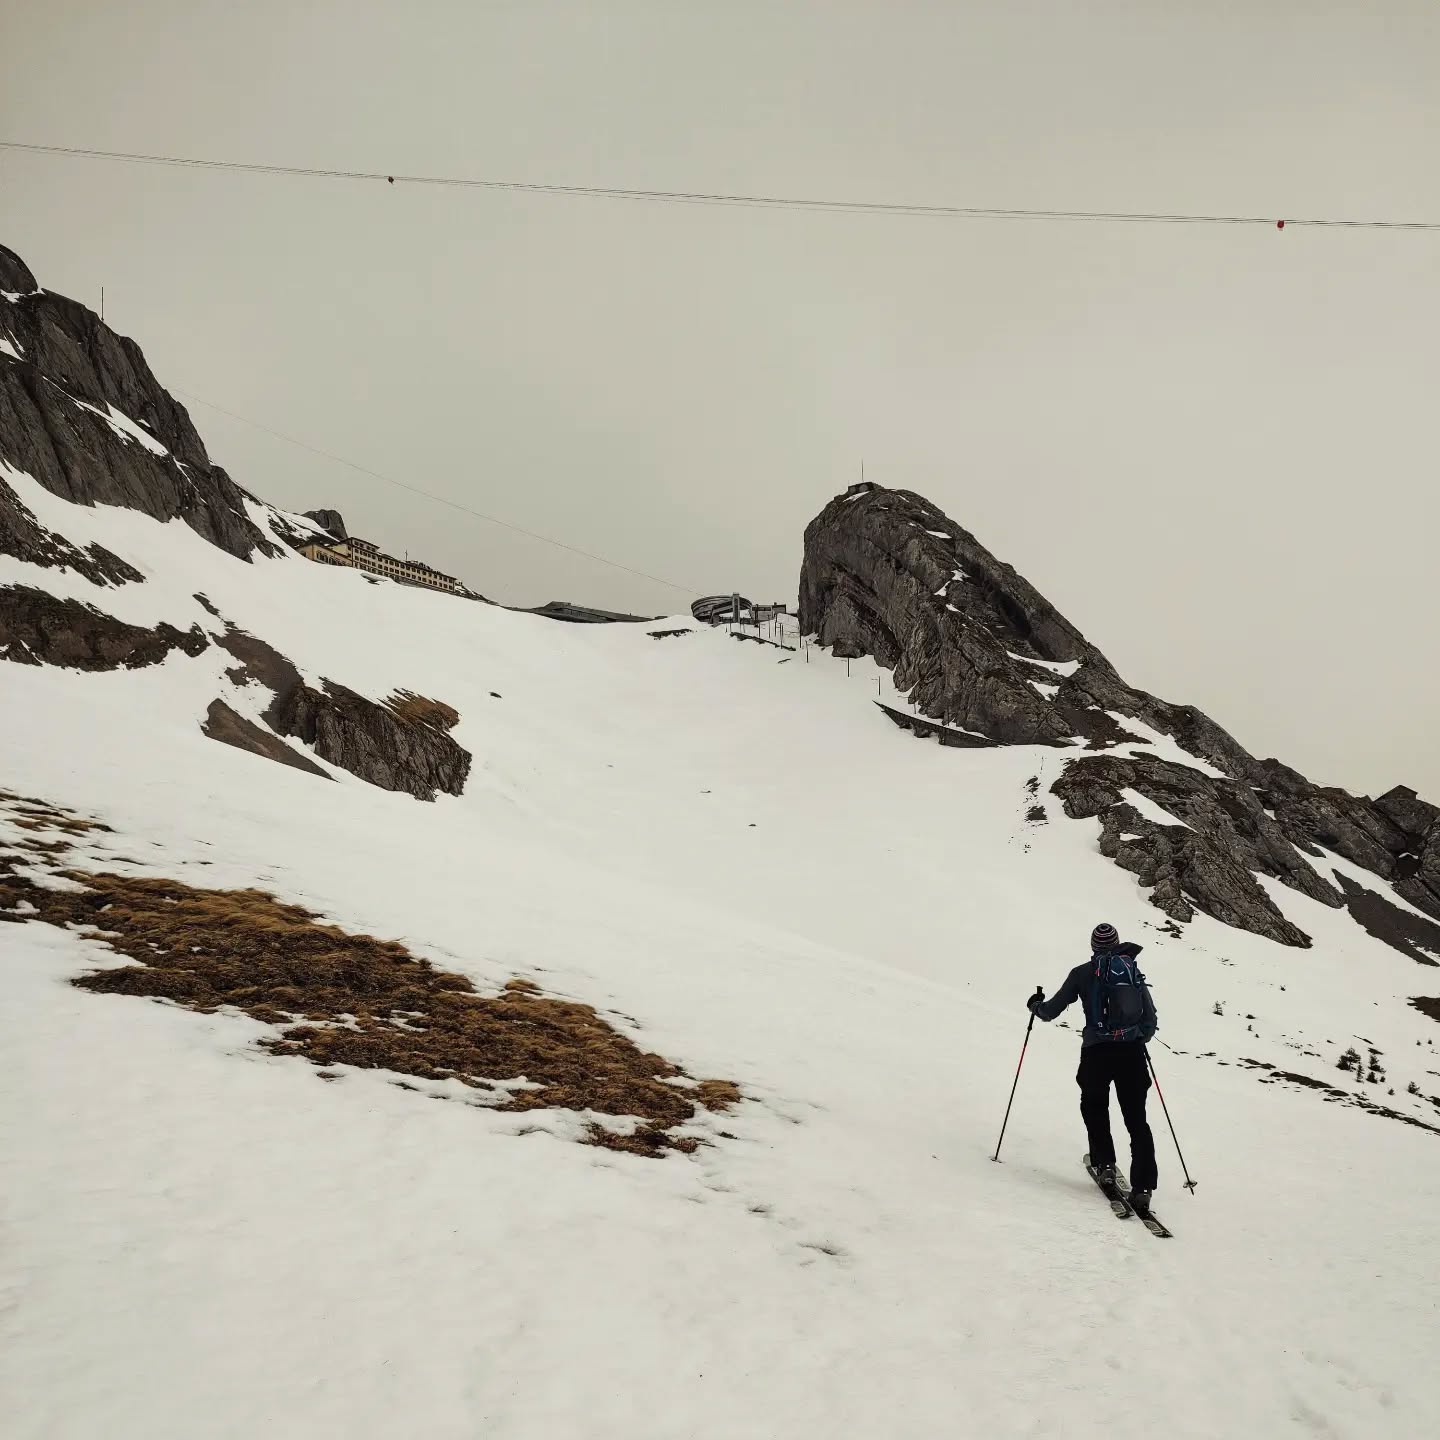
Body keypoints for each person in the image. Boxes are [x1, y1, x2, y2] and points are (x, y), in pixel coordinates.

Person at [1028, 922, 1159, 1210]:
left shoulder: (1082, 973)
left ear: (1092, 946)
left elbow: (1051, 1011)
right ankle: (1143, 1187)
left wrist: (1035, 1006)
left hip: (1096, 1053)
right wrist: (1136, 1037)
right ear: (1117, 943)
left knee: (1095, 1108)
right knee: (1137, 1119)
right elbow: (1149, 1020)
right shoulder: (1131, 972)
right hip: (1131, 1054)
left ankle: (1105, 1165)